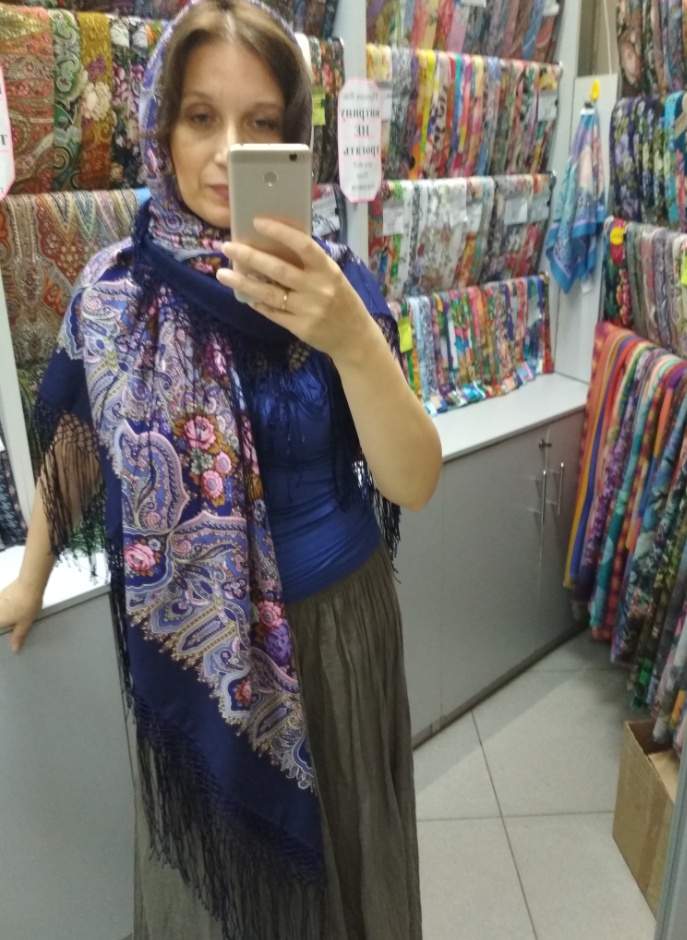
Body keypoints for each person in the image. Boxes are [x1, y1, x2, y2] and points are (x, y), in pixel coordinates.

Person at [0, 1, 441, 937]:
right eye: (201, 117)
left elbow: (412, 480)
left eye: (261, 123)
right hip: (194, 655)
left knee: (339, 881)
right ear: (160, 125)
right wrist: (31, 575)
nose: (227, 151)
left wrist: (350, 336)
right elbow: (79, 439)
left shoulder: (331, 283)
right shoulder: (113, 291)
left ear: (294, 140)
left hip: (333, 637)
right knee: (214, 901)